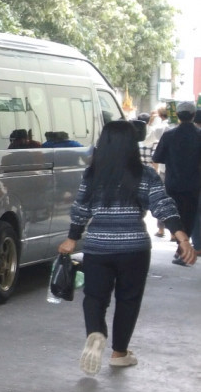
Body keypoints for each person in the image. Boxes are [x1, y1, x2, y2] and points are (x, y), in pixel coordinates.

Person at [60, 120, 195, 376]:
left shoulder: (93, 174)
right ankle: (119, 354)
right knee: (128, 300)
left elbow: (81, 209)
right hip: (134, 248)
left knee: (94, 297)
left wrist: (72, 238)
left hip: (98, 246)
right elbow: (162, 205)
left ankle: (96, 334)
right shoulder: (145, 174)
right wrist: (182, 237)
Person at [150, 101, 201, 260]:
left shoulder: (169, 135)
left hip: (173, 182)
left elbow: (157, 157)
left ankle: (181, 246)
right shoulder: (199, 135)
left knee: (175, 213)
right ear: (193, 115)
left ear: (177, 115)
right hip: (194, 183)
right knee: (190, 214)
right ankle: (184, 247)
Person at [147, 106, 170, 236]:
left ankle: (161, 229)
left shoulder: (161, 129)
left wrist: (150, 123)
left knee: (163, 199)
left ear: (160, 115)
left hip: (164, 170)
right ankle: (176, 232)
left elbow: (146, 140)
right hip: (187, 172)